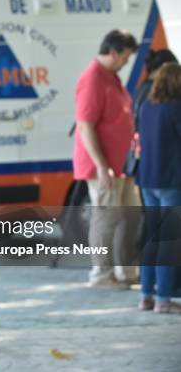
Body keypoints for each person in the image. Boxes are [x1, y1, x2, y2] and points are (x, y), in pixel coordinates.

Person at [73, 29, 141, 288]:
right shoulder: (93, 79)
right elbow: (85, 126)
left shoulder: (111, 77)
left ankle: (126, 271)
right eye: (125, 56)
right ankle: (102, 274)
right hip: (103, 167)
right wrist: (102, 166)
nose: (127, 61)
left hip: (121, 165)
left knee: (130, 215)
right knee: (106, 218)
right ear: (113, 52)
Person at [135, 62, 181, 314]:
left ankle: (146, 296)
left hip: (147, 180)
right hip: (172, 181)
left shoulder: (146, 107)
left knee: (152, 238)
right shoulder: (176, 108)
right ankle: (163, 298)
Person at [124, 49, 178, 177]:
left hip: (143, 160)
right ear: (165, 68)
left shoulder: (143, 88)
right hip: (156, 161)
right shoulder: (155, 92)